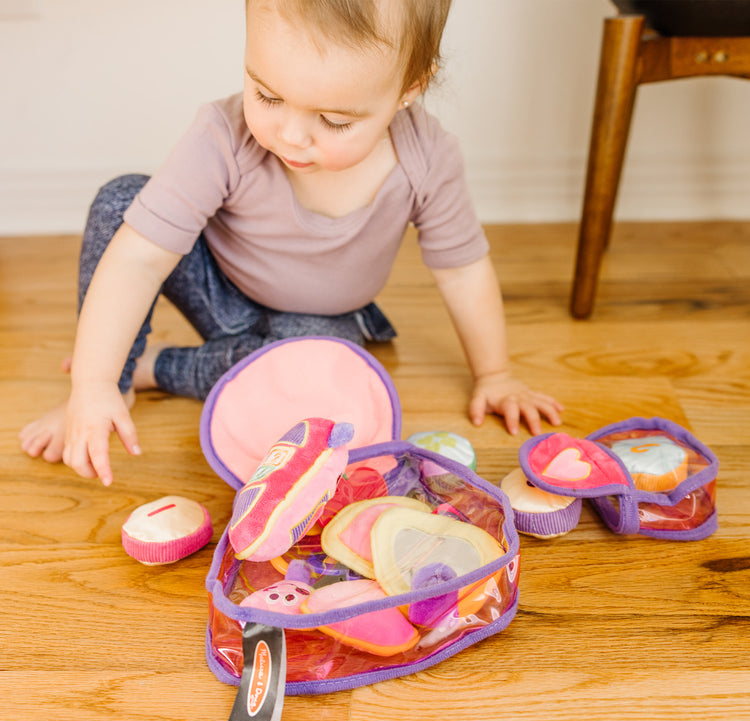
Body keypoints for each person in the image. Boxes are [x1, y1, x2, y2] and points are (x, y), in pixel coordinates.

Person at [19, 0, 563, 486]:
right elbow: (139, 257)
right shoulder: (223, 135)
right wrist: (91, 385)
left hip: (322, 322)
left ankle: (159, 367)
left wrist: (495, 374)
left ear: (410, 87)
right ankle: (114, 378)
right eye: (268, 95)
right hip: (223, 293)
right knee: (121, 202)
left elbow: (463, 270)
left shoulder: (429, 157)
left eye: (333, 120)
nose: (290, 135)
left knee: (319, 385)